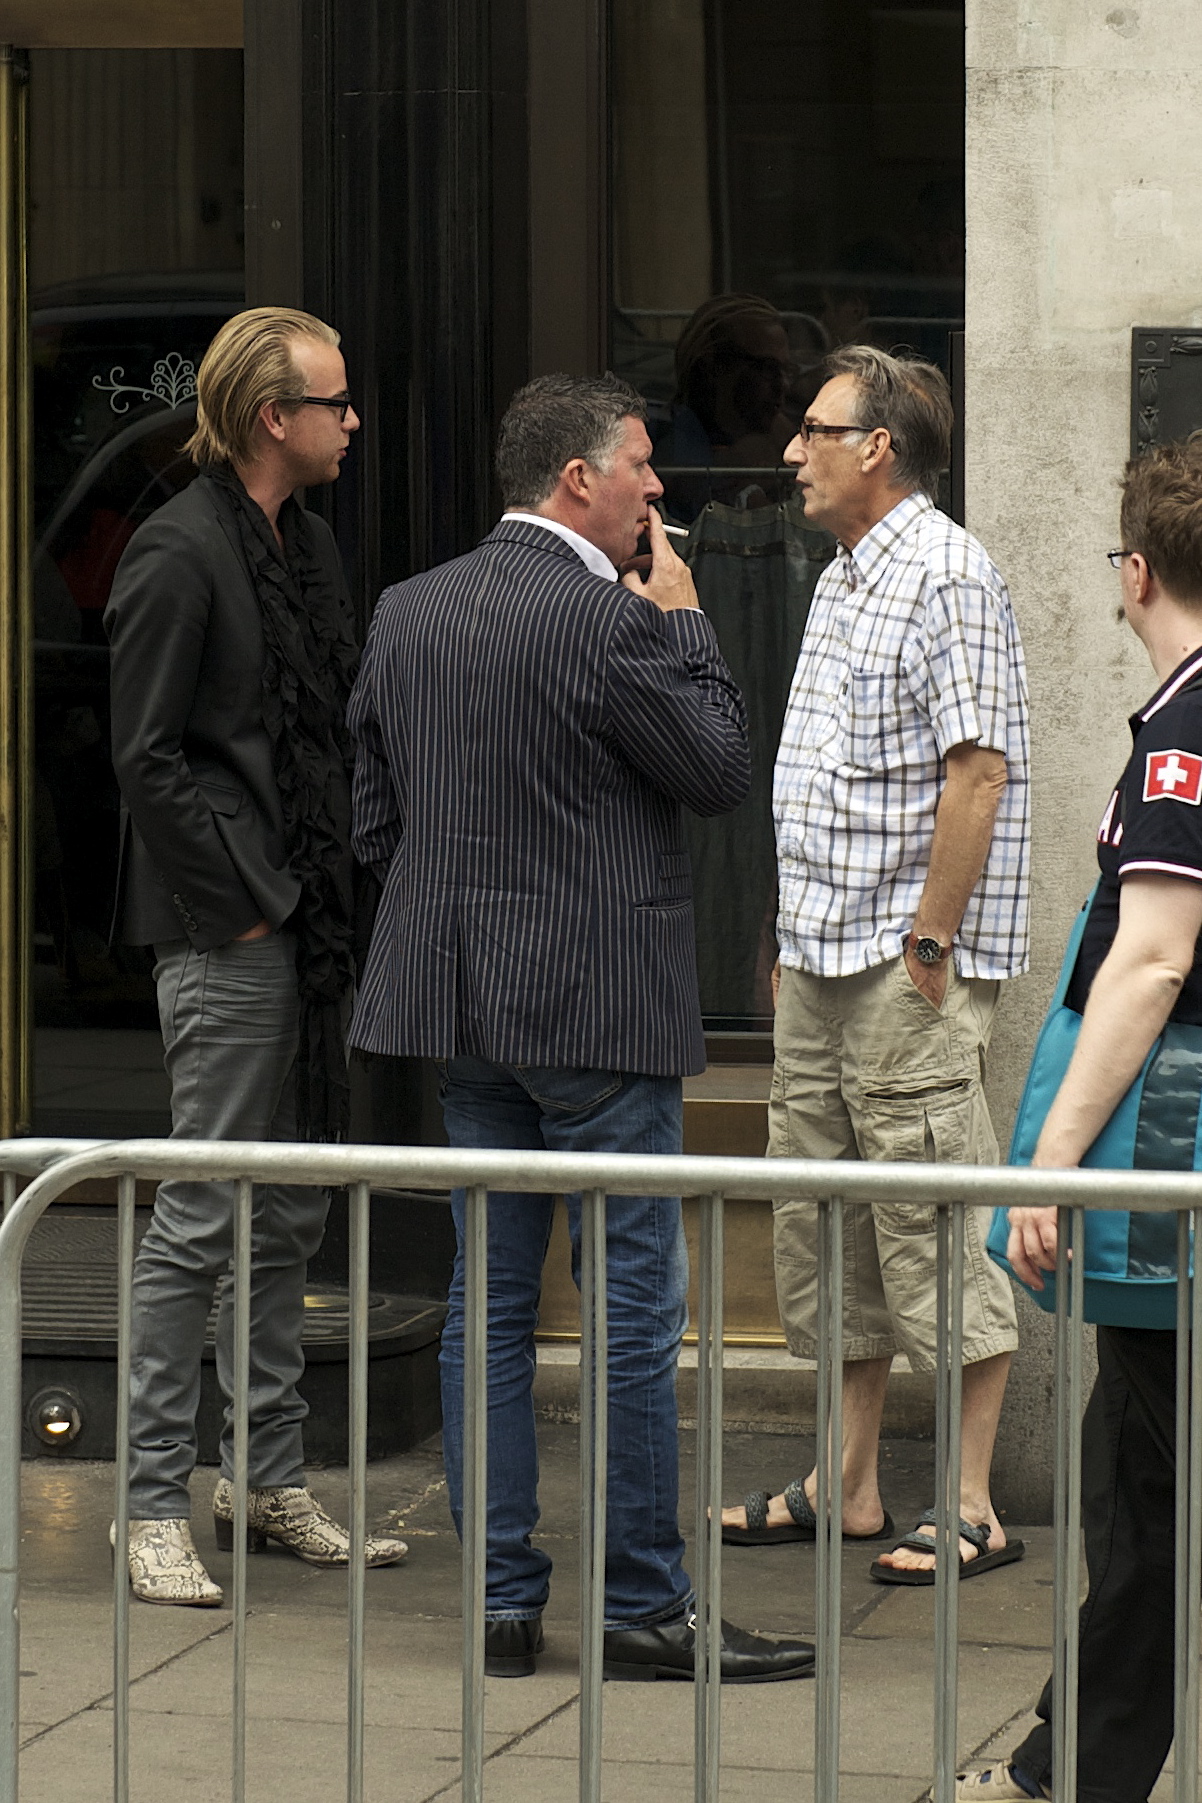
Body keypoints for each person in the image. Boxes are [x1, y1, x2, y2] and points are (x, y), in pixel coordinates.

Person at [348, 371, 814, 1683]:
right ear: (575, 482)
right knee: (626, 1308)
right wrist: (686, 618)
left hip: (463, 1010)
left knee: (484, 1309)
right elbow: (720, 771)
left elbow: (371, 813)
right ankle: (644, 1604)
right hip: (597, 1011)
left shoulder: (408, 610)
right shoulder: (615, 623)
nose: (657, 489)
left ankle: (503, 1603)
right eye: (639, 467)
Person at [105, 307, 407, 1606]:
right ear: (274, 418)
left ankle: (264, 1471)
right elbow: (145, 753)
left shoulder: (308, 547)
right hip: (233, 926)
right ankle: (150, 1498)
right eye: (335, 403)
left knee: (285, 1208)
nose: (352, 422)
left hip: (311, 920)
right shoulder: (176, 551)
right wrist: (233, 906)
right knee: (199, 1213)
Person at [721, 344, 1031, 1581]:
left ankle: (969, 1504)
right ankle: (843, 1485)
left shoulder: (945, 573)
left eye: (814, 430)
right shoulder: (847, 571)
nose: (791, 453)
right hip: (820, 959)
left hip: (901, 969)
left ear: (877, 448)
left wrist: (929, 943)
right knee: (826, 1223)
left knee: (932, 1215)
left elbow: (978, 771)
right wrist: (784, 941)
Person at [958, 436, 1202, 1801]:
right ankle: (1062, 1763)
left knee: (1145, 1499)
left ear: (1134, 570)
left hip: (1166, 1151)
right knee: (1142, 1485)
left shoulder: (1184, 731)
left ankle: (1068, 1774)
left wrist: (1046, 1168)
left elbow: (1152, 960)